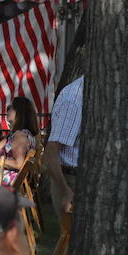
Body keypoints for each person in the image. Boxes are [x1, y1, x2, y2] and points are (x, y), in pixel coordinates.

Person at [0, 96, 41, 189]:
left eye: (10, 108)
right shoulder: (20, 133)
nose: (7, 110)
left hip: (7, 179)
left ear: (19, 112)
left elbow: (18, 164)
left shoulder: (20, 135)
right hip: (11, 177)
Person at [46, 76, 85, 214]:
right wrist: (66, 191)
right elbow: (51, 151)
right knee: (73, 234)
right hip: (70, 180)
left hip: (82, 178)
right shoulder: (74, 98)